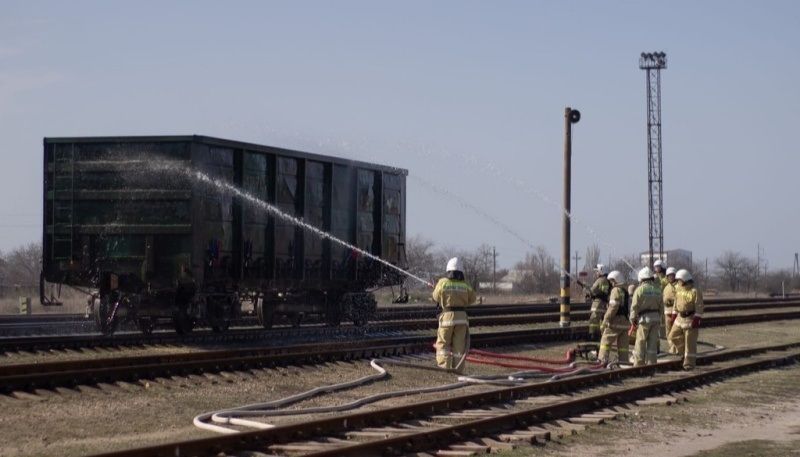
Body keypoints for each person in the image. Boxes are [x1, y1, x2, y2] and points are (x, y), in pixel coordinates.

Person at [432, 257, 476, 373]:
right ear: (461, 272)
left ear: (448, 271)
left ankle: (444, 367)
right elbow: (473, 299)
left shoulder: (443, 282)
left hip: (447, 317)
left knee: (443, 344)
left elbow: (435, 297)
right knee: (459, 346)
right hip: (462, 318)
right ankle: (458, 369)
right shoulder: (465, 284)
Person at [668, 269, 704, 370]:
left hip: (690, 318)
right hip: (680, 318)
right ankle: (683, 353)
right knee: (672, 336)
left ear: (685, 279)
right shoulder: (679, 289)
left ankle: (689, 364)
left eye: (679, 280)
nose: (678, 281)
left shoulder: (695, 291)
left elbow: (699, 305)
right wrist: (674, 315)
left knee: (690, 342)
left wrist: (697, 318)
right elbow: (676, 303)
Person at [630, 267, 663, 366]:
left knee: (641, 341)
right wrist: (658, 317)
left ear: (641, 278)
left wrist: (633, 319)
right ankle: (651, 363)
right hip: (656, 319)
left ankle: (639, 363)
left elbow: (634, 307)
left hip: (644, 319)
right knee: (652, 343)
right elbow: (662, 307)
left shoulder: (639, 290)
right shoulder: (658, 290)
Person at [598, 270, 630, 365]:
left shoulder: (615, 290)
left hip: (615, 321)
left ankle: (602, 361)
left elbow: (613, 307)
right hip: (625, 322)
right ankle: (624, 363)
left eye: (612, 281)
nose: (611, 283)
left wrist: (606, 319)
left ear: (616, 280)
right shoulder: (625, 291)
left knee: (605, 340)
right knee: (623, 346)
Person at [588, 264, 611, 340]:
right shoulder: (608, 281)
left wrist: (587, 290)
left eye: (597, 271)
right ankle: (601, 335)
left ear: (601, 271)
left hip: (598, 304)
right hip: (605, 304)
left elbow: (592, 290)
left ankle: (593, 335)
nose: (596, 273)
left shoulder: (600, 280)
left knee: (593, 319)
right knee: (602, 320)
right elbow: (605, 292)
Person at [662, 267, 679, 353]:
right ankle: (672, 348)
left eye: (672, 275)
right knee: (668, 331)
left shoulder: (679, 286)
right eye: (669, 276)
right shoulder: (666, 287)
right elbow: (664, 298)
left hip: (676, 313)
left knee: (676, 332)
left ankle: (677, 348)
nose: (671, 277)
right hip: (667, 312)